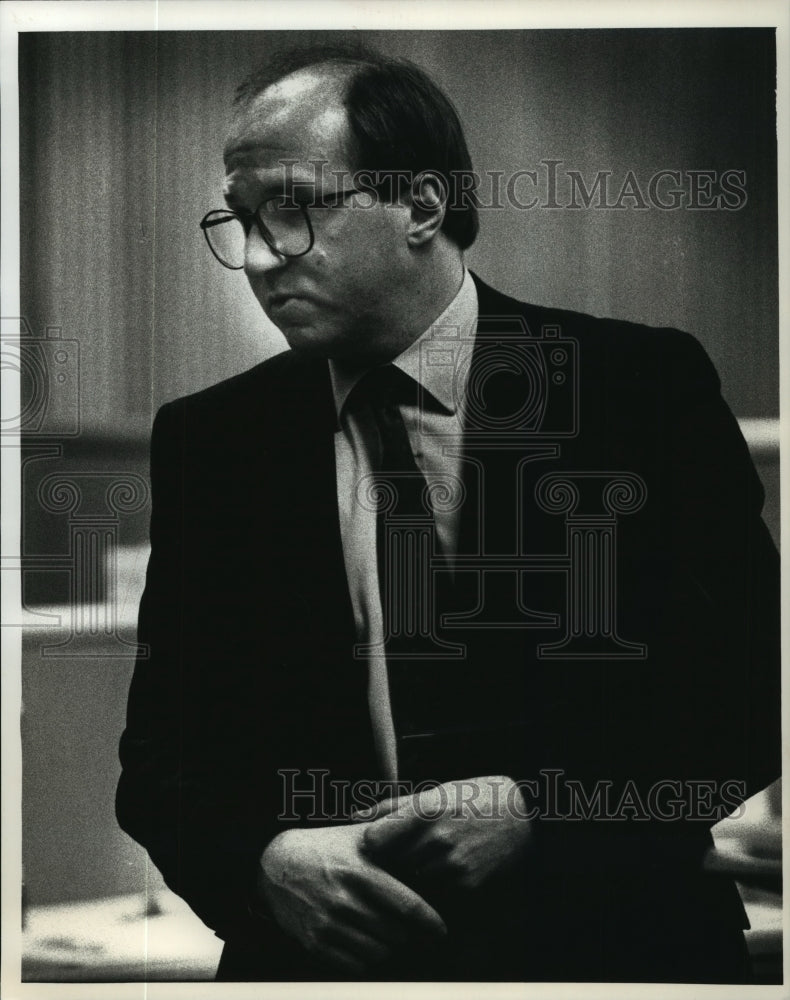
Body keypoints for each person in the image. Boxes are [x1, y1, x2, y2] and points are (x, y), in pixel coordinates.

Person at [116, 42, 780, 983]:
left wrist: (543, 808)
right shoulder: (214, 440)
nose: (259, 259)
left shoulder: (637, 390)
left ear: (422, 205)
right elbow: (163, 760)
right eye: (244, 217)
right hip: (329, 965)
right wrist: (260, 861)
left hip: (618, 952)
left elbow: (754, 693)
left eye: (296, 209)